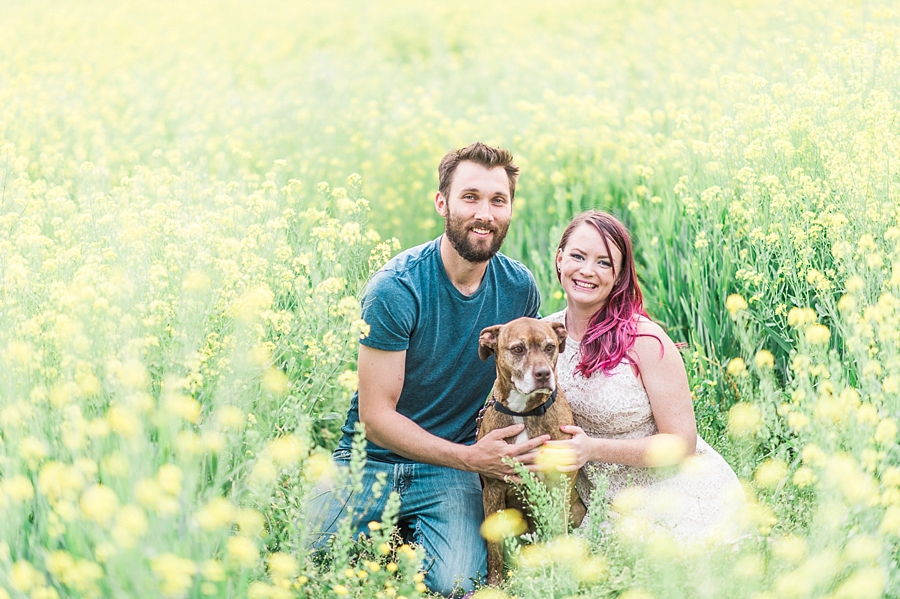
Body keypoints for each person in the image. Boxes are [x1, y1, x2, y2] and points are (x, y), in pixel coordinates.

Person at [305, 142, 547, 597]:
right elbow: (375, 419)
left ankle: (406, 542)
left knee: (457, 583)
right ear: (442, 203)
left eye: (498, 200)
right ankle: (397, 543)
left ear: (511, 208)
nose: (485, 213)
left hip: (449, 474)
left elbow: (539, 357)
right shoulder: (397, 288)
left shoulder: (518, 289)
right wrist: (472, 458)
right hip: (368, 463)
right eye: (470, 197)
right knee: (308, 559)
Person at [542, 210, 746, 544]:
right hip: (599, 502)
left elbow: (681, 443)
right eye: (578, 256)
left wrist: (591, 449)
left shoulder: (645, 341)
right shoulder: (547, 335)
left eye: (604, 263)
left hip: (670, 492)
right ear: (560, 259)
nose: (587, 271)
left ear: (620, 274)